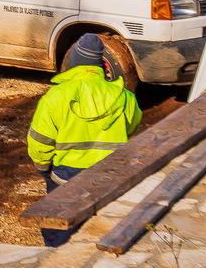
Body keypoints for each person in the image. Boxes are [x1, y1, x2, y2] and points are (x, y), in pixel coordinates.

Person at [27, 34, 143, 247]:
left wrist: (44, 168)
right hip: (110, 174)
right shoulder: (125, 97)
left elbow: (40, 141)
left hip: (65, 176)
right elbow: (132, 125)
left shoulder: (56, 96)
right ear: (100, 65)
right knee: (103, 227)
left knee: (59, 231)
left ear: (75, 63)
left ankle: (58, 266)